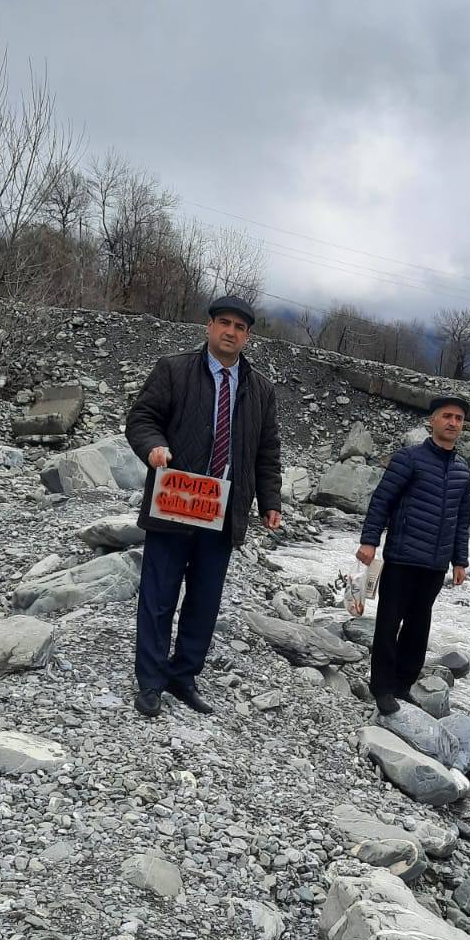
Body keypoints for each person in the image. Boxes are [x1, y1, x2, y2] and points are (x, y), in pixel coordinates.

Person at [125, 294, 281, 717]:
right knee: (159, 595)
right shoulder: (174, 369)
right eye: (224, 323)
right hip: (176, 498)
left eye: (240, 327)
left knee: (204, 600)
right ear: (209, 327)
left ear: (248, 336)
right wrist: (154, 447)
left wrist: (270, 500)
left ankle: (183, 676)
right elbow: (142, 419)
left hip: (223, 508)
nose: (231, 332)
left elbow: (267, 451)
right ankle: (151, 681)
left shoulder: (260, 389)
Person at [356, 396, 470, 716]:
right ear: (432, 421)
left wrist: (460, 561)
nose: (453, 423)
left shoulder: (462, 470)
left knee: (418, 628)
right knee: (388, 623)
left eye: (459, 418)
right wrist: (369, 541)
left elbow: (462, 520)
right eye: (447, 416)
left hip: (435, 564)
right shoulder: (409, 459)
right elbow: (382, 501)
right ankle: (382, 688)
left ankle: (403, 685)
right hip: (402, 556)